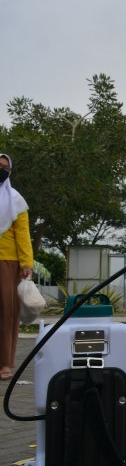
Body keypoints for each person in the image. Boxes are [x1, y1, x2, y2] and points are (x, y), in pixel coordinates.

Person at [0, 154, 33, 381]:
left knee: (6, 312)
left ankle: (5, 364)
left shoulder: (16, 201)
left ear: (10, 172)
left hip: (8, 262)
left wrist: (26, 263)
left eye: (4, 167)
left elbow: (23, 235)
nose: (0, 170)